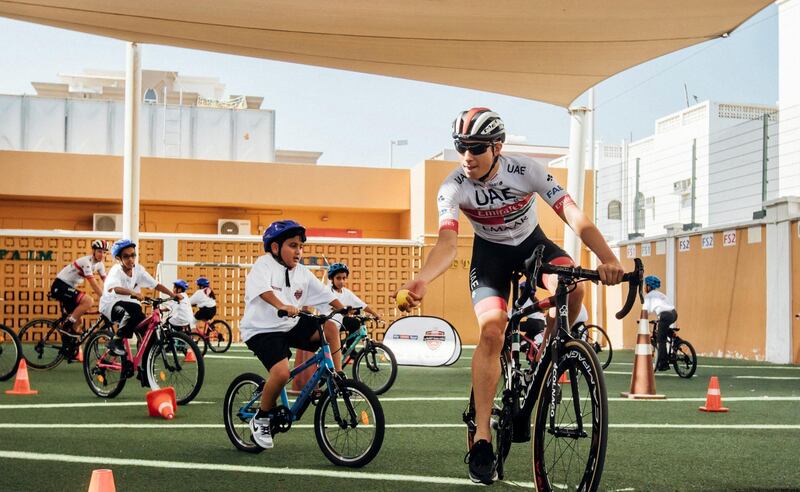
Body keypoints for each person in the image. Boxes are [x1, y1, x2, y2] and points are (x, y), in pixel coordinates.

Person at [396, 107, 624, 484]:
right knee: (491, 330)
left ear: (497, 147)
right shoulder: (454, 186)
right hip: (491, 258)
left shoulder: (527, 170)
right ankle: (483, 437)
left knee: (574, 289)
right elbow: (448, 243)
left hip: (533, 246)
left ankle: (552, 354)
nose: (467, 156)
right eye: (461, 147)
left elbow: (573, 214)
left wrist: (608, 259)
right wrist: (421, 280)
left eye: (476, 148)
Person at [240, 220, 346, 450]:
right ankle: (261, 418)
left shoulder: (302, 273)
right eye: (292, 245)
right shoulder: (263, 265)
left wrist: (346, 311)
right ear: (276, 248)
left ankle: (338, 380)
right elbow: (264, 291)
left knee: (331, 328)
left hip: (289, 325)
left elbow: (325, 296)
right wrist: (282, 305)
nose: (298, 251)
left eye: (301, 246)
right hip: (261, 329)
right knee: (281, 373)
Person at [100, 239, 174, 356]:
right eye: (126, 256)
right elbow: (115, 288)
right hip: (111, 305)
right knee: (134, 308)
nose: (131, 259)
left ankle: (143, 369)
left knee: (148, 333)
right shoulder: (116, 270)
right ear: (119, 258)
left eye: (133, 255)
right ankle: (116, 341)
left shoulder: (138, 269)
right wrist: (133, 293)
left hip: (130, 306)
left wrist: (172, 295)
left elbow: (156, 284)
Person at [49, 239, 109, 340]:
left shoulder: (100, 265)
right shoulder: (86, 262)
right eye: (99, 251)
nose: (102, 254)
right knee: (88, 301)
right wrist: (105, 298)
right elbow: (93, 284)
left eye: (104, 252)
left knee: (78, 322)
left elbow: (107, 282)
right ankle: (66, 325)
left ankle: (69, 349)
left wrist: (115, 295)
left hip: (68, 288)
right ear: (93, 251)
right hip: (60, 286)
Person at [317, 262, 381, 339]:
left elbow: (361, 304)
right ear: (331, 279)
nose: (341, 281)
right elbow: (333, 307)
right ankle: (349, 348)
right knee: (354, 323)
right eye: (338, 278)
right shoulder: (327, 290)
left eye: (344, 278)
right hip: (328, 324)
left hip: (340, 323)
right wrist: (347, 310)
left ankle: (349, 348)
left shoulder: (346, 292)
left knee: (356, 323)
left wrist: (374, 314)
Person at [640, 275, 677, 371]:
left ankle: (663, 364)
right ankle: (677, 341)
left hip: (664, 315)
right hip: (673, 314)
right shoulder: (661, 294)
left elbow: (645, 312)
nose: (644, 287)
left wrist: (641, 320)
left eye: (645, 285)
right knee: (664, 329)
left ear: (649, 286)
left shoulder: (648, 296)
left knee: (661, 339)